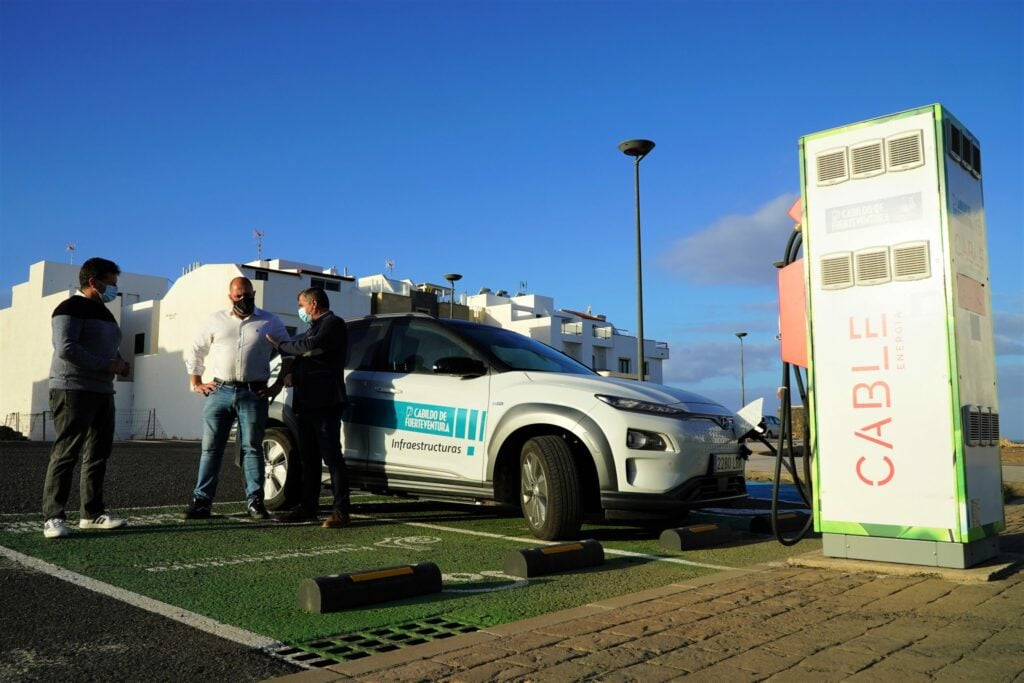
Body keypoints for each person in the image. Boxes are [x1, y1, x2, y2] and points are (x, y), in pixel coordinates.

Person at [181, 276, 288, 520]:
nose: (243, 300)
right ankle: (202, 502)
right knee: (210, 449)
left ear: (253, 294)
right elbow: (196, 349)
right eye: (238, 296)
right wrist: (195, 381)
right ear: (230, 296)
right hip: (220, 391)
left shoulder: (269, 321)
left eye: (248, 295)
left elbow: (289, 352)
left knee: (252, 448)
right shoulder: (215, 320)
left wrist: (277, 384)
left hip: (253, 392)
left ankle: (255, 502)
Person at [42, 257, 131, 539]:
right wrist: (107, 365)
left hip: (102, 390)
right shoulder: (68, 308)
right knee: (67, 453)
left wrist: (119, 362)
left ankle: (91, 514)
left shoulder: (104, 312)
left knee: (98, 454)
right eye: (111, 284)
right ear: (93, 282)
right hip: (72, 388)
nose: (114, 289)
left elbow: (108, 348)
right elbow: (66, 348)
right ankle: (53, 517)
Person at [266, 287, 350, 528]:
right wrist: (290, 372)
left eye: (301, 305)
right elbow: (304, 349)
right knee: (308, 458)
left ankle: (341, 510)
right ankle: (307, 506)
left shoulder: (333, 324)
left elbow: (308, 346)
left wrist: (282, 345)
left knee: (332, 457)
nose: (300, 310)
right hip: (305, 401)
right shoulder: (313, 327)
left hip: (325, 402)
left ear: (313, 304)